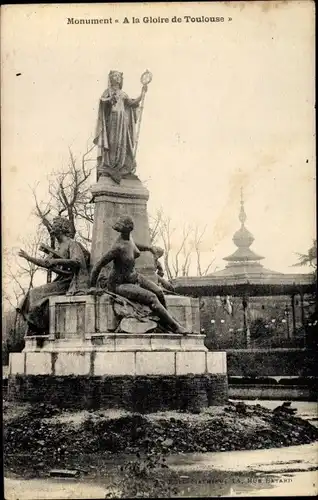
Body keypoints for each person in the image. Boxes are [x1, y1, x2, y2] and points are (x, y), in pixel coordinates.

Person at [89, 216, 188, 334]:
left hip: (134, 276)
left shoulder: (128, 238)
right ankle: (175, 326)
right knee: (152, 297)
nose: (132, 227)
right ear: (126, 229)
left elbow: (134, 246)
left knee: (159, 292)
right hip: (120, 284)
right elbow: (98, 265)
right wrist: (92, 286)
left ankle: (166, 320)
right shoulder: (118, 247)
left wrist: (148, 247)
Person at [17, 217, 90, 334]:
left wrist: (56, 262)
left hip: (71, 282)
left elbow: (77, 262)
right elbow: (46, 263)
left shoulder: (72, 244)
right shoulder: (58, 248)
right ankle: (36, 327)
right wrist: (28, 257)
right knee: (33, 293)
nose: (52, 225)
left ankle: (38, 327)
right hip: (61, 280)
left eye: (55, 224)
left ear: (62, 228)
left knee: (35, 294)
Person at [94, 70, 147, 184]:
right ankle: (110, 166)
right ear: (111, 78)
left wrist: (142, 93)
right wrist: (109, 100)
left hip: (122, 122)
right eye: (115, 76)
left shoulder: (123, 94)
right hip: (112, 121)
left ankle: (121, 166)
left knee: (122, 143)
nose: (117, 78)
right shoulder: (107, 91)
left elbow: (132, 103)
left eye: (118, 76)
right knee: (112, 142)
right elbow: (103, 101)